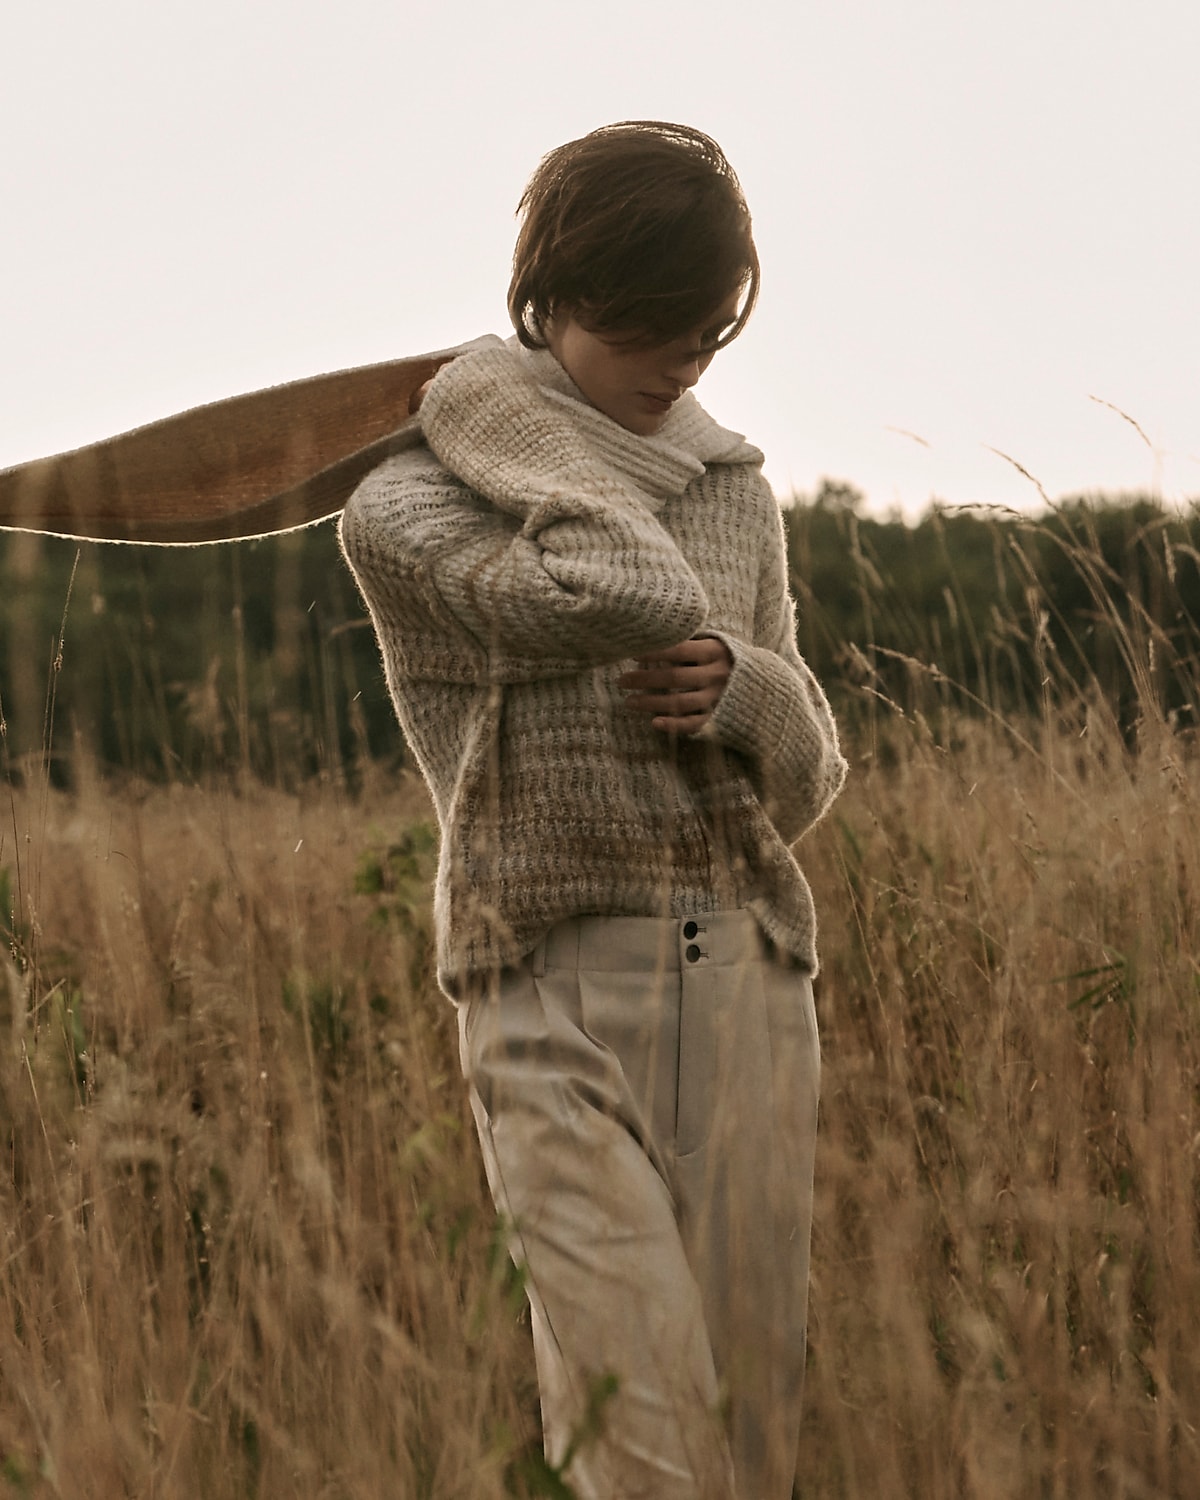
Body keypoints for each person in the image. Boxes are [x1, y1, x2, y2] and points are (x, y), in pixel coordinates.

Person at [339, 120, 847, 1500]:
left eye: (706, 332)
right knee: (641, 1442)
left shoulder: (738, 488)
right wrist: (498, 407)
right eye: (652, 332)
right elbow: (626, 593)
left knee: (747, 1441)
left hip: (747, 984)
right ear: (554, 300)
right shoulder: (411, 502)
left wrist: (752, 695)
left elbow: (804, 784)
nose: (685, 365)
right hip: (548, 999)